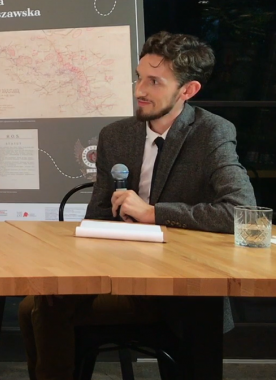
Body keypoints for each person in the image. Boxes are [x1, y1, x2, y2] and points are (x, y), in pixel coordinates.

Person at [18, 31, 256, 380]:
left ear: (188, 91)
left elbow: (242, 212)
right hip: (119, 272)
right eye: (138, 77)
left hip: (181, 287)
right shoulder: (116, 135)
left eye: (155, 82)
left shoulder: (211, 134)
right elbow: (97, 218)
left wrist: (153, 213)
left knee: (45, 307)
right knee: (41, 301)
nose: (139, 91)